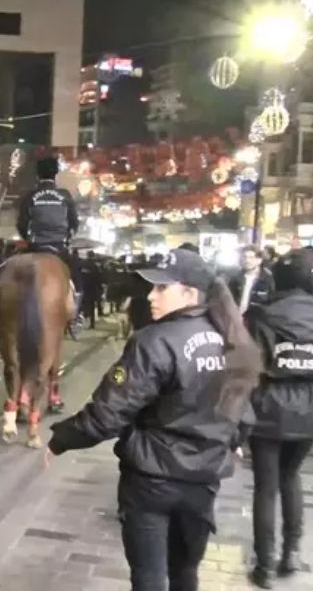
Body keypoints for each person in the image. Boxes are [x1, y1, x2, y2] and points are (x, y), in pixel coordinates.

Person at [47, 248, 262, 591]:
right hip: (203, 479)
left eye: (162, 288)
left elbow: (108, 412)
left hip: (151, 479)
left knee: (148, 577)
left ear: (190, 293)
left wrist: (62, 439)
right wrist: (229, 442)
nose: (150, 296)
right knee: (185, 572)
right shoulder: (233, 340)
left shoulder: (154, 341)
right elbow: (244, 411)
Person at [244, 250, 313, 588]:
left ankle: (264, 564)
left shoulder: (261, 315)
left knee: (266, 486)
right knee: (291, 478)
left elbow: (244, 368)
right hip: (308, 408)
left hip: (266, 406)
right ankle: (291, 552)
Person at [17, 156, 81, 294]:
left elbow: (21, 224)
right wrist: (67, 238)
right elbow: (74, 223)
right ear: (55, 174)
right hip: (59, 246)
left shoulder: (30, 196)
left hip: (35, 246)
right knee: (76, 277)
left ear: (37, 174)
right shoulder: (65, 195)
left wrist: (29, 239)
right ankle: (77, 307)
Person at [229, 246, 274, 313]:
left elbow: (271, 299)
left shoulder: (267, 278)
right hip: (237, 318)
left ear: (259, 260)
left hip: (257, 318)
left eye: (251, 257)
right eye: (245, 257)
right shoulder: (235, 277)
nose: (247, 260)